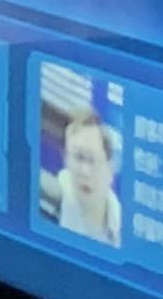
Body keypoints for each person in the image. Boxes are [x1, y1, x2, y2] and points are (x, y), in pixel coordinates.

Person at [52, 104, 123, 244]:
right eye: (78, 157)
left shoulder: (124, 226)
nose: (85, 171)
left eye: (92, 160)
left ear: (110, 169)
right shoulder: (48, 204)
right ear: (65, 158)